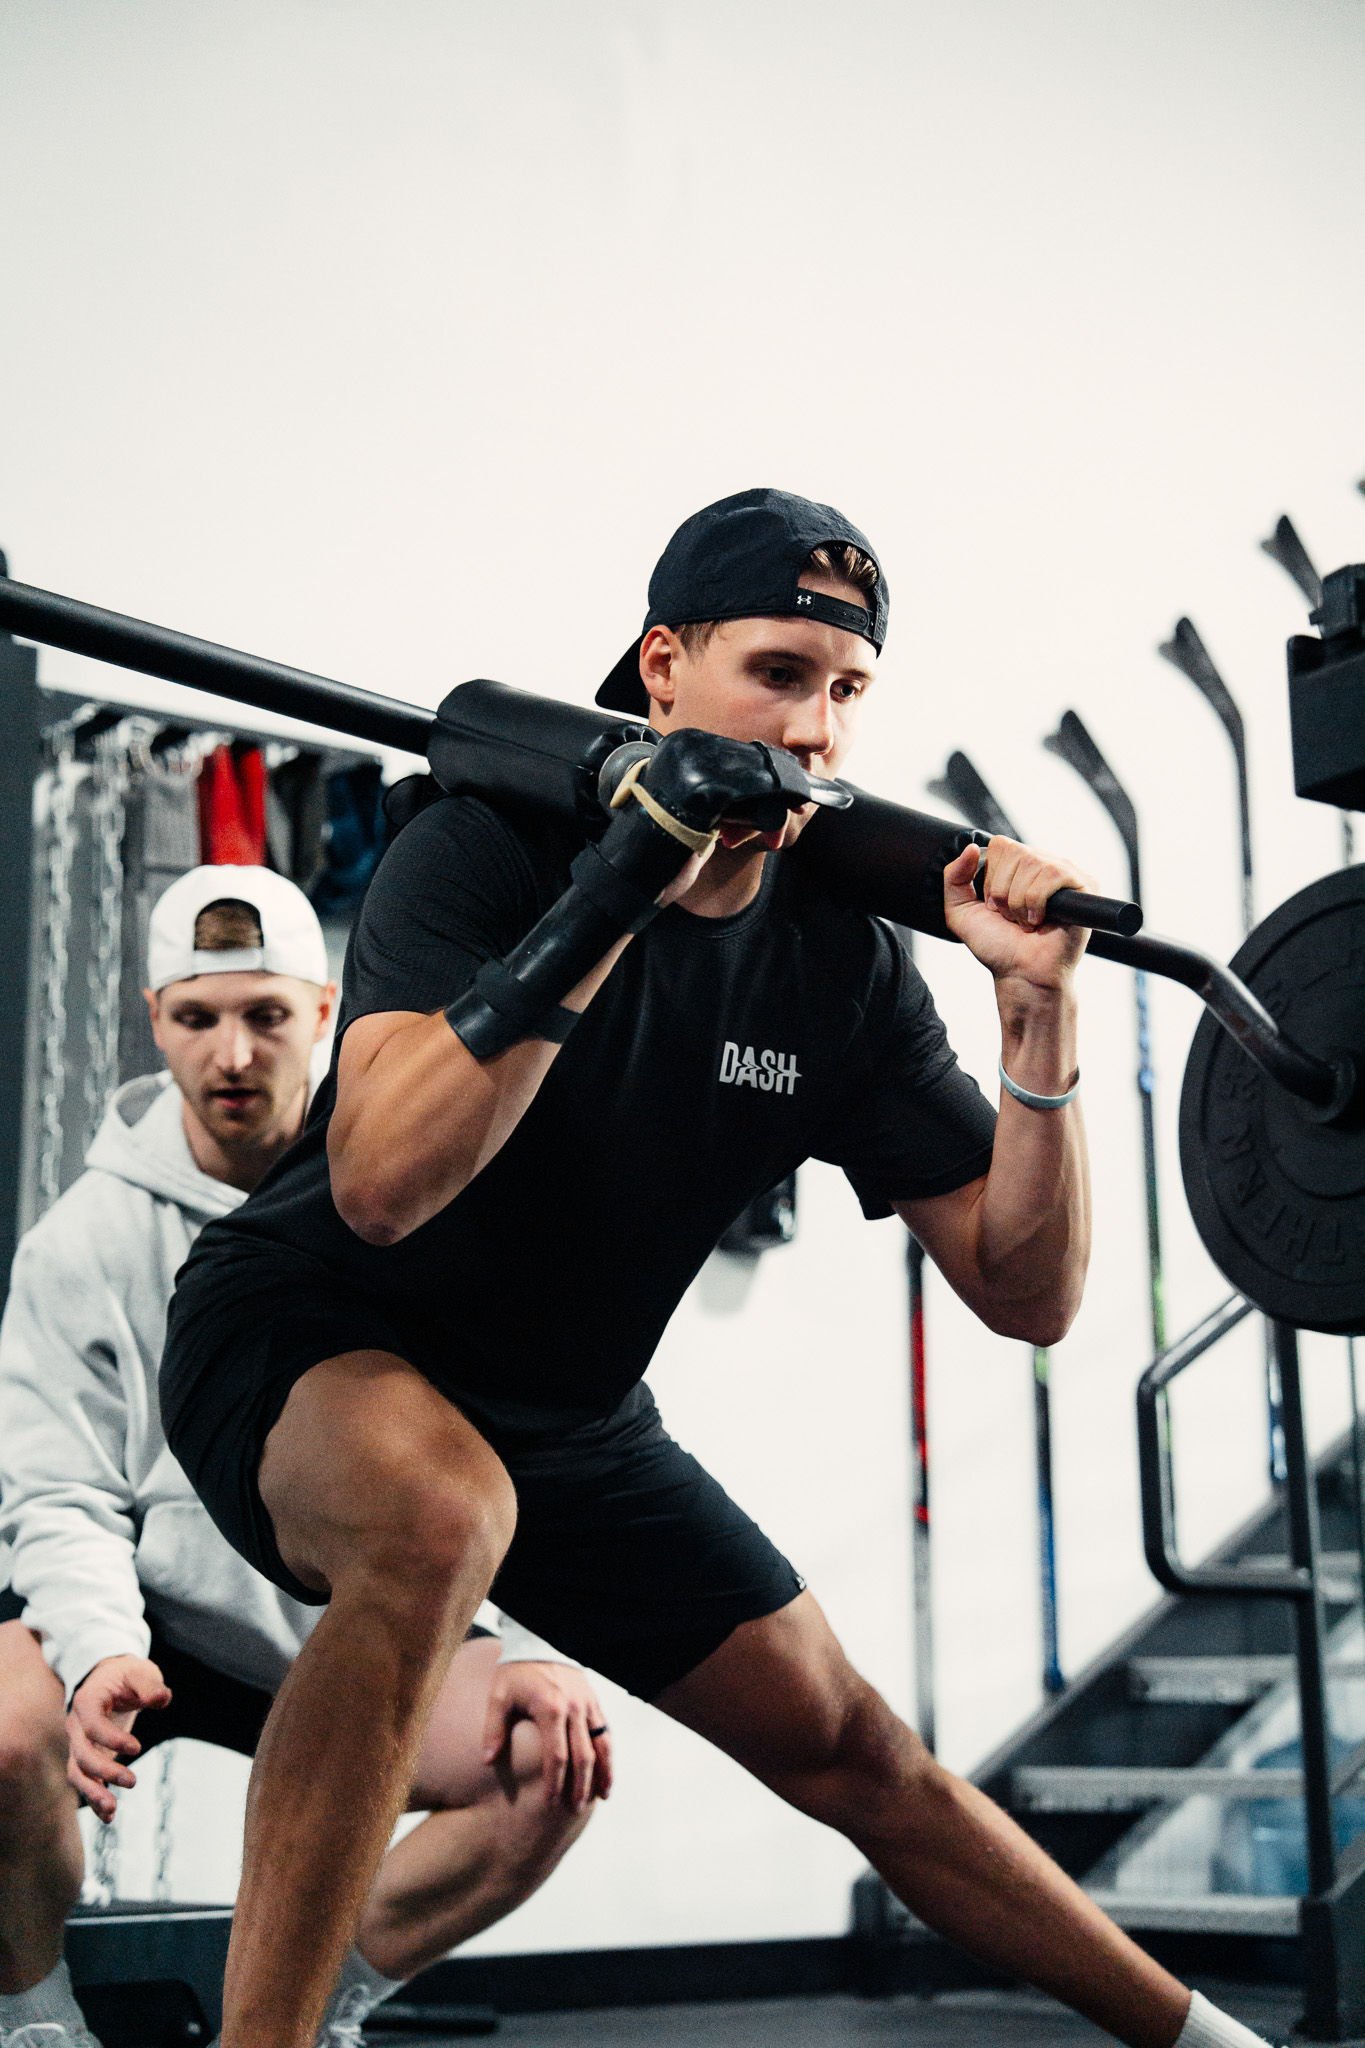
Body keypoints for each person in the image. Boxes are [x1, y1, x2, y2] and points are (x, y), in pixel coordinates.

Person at [160, 488, 1267, 2048]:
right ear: (662, 667)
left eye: (846, 690)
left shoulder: (846, 961)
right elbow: (382, 1187)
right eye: (777, 674)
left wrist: (1038, 1021)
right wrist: (627, 877)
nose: (816, 731)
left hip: (569, 1412)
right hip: (312, 1335)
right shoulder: (483, 837)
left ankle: (1214, 2043)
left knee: (852, 1747)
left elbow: (1029, 1295)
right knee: (440, 1511)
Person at [0, 867, 608, 2048]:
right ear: (154, 1017)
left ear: (324, 1012)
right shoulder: (86, 1237)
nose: (232, 1053)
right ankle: (34, 2014)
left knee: (552, 1754)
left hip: (347, 1616)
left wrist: (516, 1646)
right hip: (156, 1617)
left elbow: (505, 1448)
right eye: (198, 1015)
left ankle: (308, 1993)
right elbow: (60, 1489)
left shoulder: (408, 1184)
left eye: (266, 1015)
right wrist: (100, 1652)